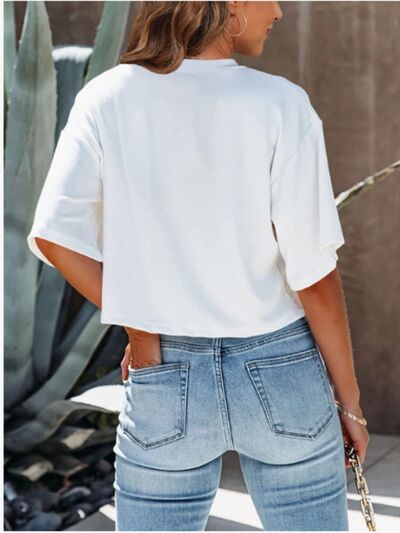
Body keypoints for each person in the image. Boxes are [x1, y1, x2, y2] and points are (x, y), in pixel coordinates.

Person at [27, 1, 369, 530]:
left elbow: (55, 236)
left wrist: (142, 327)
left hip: (164, 367)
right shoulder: (280, 104)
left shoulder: (107, 97)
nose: (279, 11)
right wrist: (349, 404)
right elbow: (315, 279)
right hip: (281, 367)